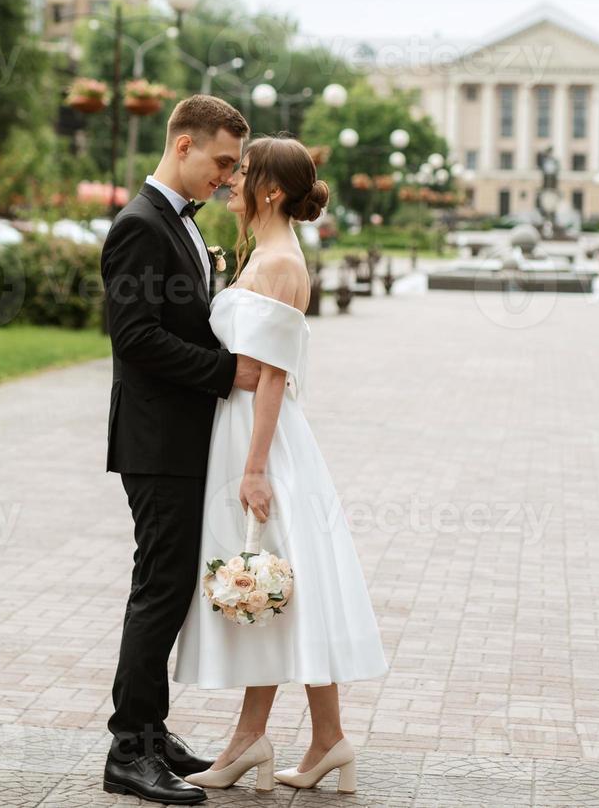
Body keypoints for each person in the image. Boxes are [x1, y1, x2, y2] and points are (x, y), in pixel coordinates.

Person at [175, 136, 389, 795]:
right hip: (254, 435)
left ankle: (262, 741)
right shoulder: (268, 254)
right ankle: (324, 741)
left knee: (276, 585)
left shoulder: (276, 262)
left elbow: (271, 377)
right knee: (288, 589)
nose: (232, 181)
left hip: (260, 440)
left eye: (244, 173)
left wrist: (254, 469)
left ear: (270, 190)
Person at [100, 95, 264, 806]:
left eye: (235, 167)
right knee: (158, 591)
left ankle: (151, 730)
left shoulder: (179, 224)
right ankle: (128, 749)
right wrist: (230, 374)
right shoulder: (139, 227)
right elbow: (135, 339)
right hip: (157, 442)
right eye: (223, 163)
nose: (228, 179)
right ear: (184, 144)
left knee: (167, 592)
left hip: (182, 438)